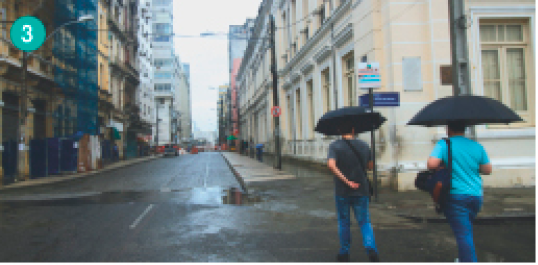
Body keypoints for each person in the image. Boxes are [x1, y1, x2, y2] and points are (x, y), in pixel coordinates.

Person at [427, 121, 492, 262]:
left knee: (463, 234)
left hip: (456, 196)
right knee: (466, 231)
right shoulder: (476, 146)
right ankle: (463, 260)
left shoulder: (444, 144)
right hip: (476, 196)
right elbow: (487, 169)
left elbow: (431, 164)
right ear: (465, 129)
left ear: (448, 129)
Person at [327, 127, 379, 262]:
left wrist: (347, 181)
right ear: (353, 130)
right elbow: (370, 166)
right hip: (361, 190)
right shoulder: (364, 145)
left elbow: (331, 165)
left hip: (342, 191)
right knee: (364, 221)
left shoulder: (335, 146)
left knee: (344, 222)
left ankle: (344, 253)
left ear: (340, 131)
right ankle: (371, 249)